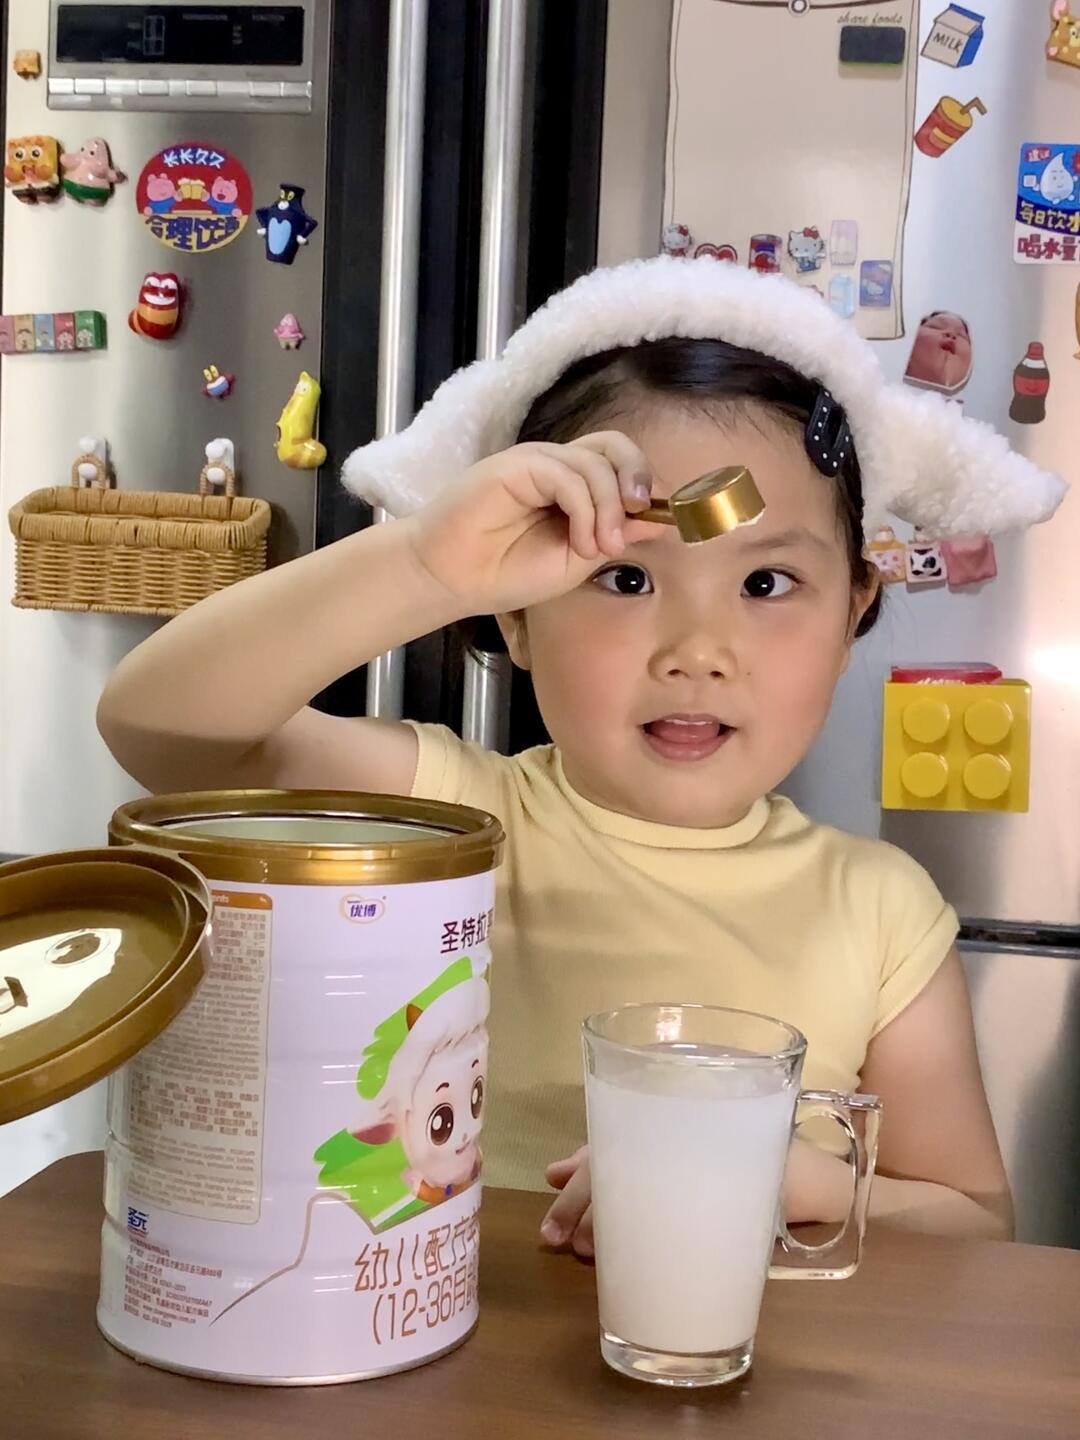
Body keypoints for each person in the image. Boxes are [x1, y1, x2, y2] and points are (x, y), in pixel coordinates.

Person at [98, 258, 1065, 1254]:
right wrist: (425, 564)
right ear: (516, 616)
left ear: (855, 607)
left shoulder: (883, 911)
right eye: (626, 579)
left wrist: (799, 1180)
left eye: (767, 584)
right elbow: (158, 729)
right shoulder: (453, 825)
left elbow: (974, 1221)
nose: (698, 652)